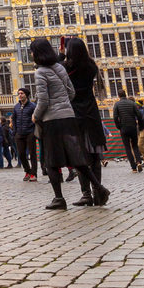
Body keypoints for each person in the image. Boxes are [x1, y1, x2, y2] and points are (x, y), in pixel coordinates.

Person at [29, 39, 105, 208]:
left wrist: (60, 54)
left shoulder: (66, 66)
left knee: (74, 156)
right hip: (90, 112)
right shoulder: (91, 66)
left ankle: (85, 194)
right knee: (91, 156)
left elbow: (50, 64)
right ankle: (97, 191)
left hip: (71, 113)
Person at [111, 88, 143, 173]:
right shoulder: (132, 103)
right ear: (125, 94)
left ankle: (133, 167)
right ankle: (139, 161)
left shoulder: (117, 104)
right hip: (132, 126)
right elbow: (139, 115)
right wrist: (137, 123)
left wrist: (118, 126)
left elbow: (115, 117)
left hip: (123, 128)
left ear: (119, 96)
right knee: (135, 145)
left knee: (127, 147)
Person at [10, 89, 38, 180]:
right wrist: (15, 132)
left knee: (32, 154)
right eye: (19, 94)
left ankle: (34, 174)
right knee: (21, 154)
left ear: (26, 95)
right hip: (19, 133)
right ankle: (27, 171)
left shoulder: (33, 106)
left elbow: (37, 119)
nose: (20, 95)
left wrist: (34, 130)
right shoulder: (16, 107)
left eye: (22, 93)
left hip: (30, 132)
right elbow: (13, 119)